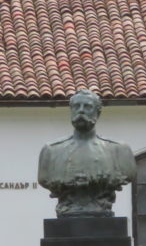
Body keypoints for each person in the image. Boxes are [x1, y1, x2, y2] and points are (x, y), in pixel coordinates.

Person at [37, 89, 137, 217]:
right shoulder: (50, 151)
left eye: (87, 106)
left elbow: (128, 174)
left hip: (102, 216)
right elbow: (44, 179)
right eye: (76, 106)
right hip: (67, 216)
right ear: (71, 111)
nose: (81, 110)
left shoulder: (119, 150)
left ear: (98, 112)